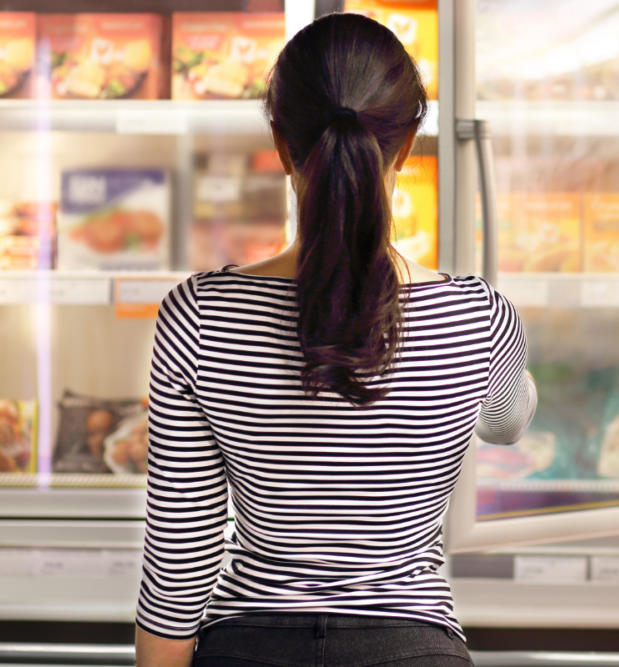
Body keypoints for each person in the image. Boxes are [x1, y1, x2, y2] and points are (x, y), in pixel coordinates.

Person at [135, 12, 536, 667]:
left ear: (280, 141)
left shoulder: (198, 314)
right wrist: (513, 376)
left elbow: (182, 541)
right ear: (408, 143)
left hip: (247, 647)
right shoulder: (478, 317)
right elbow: (505, 422)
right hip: (412, 647)